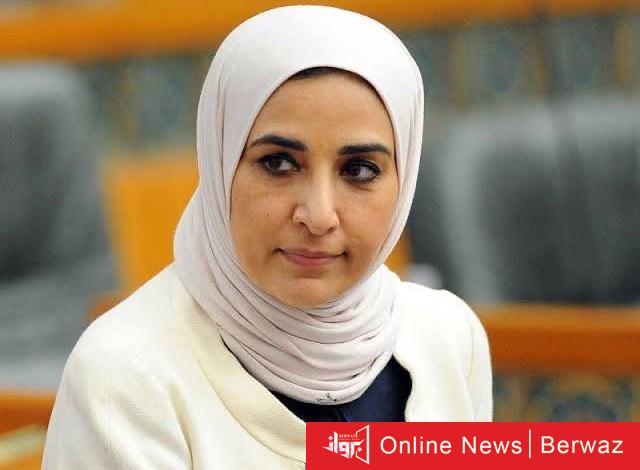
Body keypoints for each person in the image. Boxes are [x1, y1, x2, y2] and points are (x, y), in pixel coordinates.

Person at [42, 5, 492, 469]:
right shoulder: (125, 382)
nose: (318, 216)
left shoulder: (447, 339)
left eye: (359, 170)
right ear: (220, 163)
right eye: (278, 163)